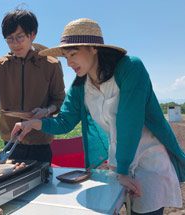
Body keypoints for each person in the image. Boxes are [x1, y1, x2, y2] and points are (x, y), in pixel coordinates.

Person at [11, 18, 185, 214]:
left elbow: (129, 122)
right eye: (65, 57)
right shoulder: (80, 85)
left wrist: (123, 170)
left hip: (149, 162)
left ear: (94, 48)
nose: (68, 63)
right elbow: (65, 121)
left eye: (73, 54)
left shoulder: (131, 68)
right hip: (118, 163)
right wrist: (34, 124)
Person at [0, 9, 65, 163]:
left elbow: (58, 100)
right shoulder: (0, 66)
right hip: (9, 146)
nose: (15, 44)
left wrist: (46, 110)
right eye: (9, 39)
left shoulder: (51, 64)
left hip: (41, 146)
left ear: (32, 35)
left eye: (20, 37)